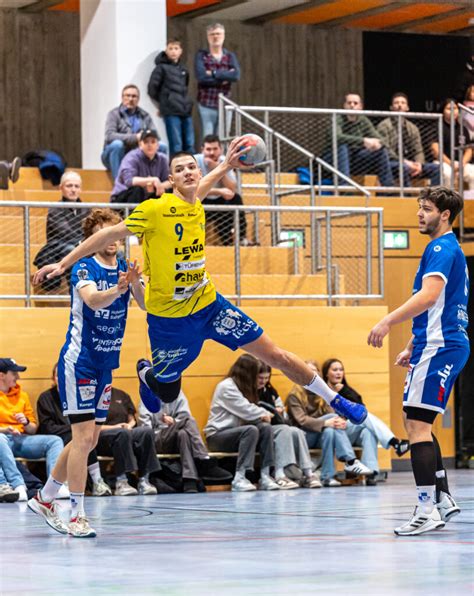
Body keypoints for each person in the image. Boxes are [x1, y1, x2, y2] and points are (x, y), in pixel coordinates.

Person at [33, 137, 367, 446]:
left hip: (210, 306)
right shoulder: (154, 209)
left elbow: (201, 188)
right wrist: (62, 264)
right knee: (166, 389)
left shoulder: (195, 202)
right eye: (179, 170)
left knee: (275, 355)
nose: (189, 172)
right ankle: (147, 375)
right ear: (171, 180)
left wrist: (225, 166)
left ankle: (337, 400)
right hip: (169, 319)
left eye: (192, 166)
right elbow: (106, 236)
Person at [28, 208, 146, 538]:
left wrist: (135, 284)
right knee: (82, 439)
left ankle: (45, 497)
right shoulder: (84, 265)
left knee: (91, 437)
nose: (112, 239)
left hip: (106, 362)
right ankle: (77, 514)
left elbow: (145, 303)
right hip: (80, 361)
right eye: (105, 232)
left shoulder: (125, 266)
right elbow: (93, 300)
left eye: (115, 232)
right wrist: (119, 290)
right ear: (94, 238)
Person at [368, 186, 469, 536]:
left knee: (416, 427)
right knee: (419, 422)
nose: (419, 214)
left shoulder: (441, 248)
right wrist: (413, 342)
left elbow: (429, 296)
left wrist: (386, 322)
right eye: (419, 208)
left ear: (444, 215)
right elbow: (437, 307)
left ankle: (427, 509)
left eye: (426, 209)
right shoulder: (446, 248)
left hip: (440, 345)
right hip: (435, 342)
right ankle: (441, 499)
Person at [286, 361, 372, 487]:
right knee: (331, 421)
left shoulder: (322, 392)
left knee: (330, 431)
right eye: (308, 370)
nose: (310, 374)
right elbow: (302, 420)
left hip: (321, 433)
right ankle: (350, 461)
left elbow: (332, 415)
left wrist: (335, 422)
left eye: (314, 372)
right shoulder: (295, 394)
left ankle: (327, 476)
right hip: (304, 437)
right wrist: (326, 422)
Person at [36, 363, 112, 497]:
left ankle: (97, 481)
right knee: (80, 437)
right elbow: (47, 426)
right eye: (58, 376)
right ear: (53, 378)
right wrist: (75, 429)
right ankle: (59, 486)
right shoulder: (45, 397)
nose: (61, 379)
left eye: (63, 376)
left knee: (85, 437)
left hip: (73, 434)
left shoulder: (75, 394)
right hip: (56, 435)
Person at [204, 354, 278, 491]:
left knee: (266, 428)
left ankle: (266, 475)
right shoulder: (226, 386)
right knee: (251, 430)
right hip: (217, 436)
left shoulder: (245, 388)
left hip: (238, 434)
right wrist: (265, 413)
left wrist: (264, 417)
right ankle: (240, 477)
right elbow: (246, 409)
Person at [138, 390, 232, 493]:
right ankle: (204, 460)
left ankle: (189, 481)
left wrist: (174, 422)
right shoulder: (148, 396)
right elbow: (145, 429)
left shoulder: (176, 393)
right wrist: (165, 423)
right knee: (189, 420)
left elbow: (184, 414)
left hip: (173, 437)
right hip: (155, 438)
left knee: (183, 434)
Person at [0, 358, 66, 502]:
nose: (18, 377)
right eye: (14, 373)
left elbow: (32, 430)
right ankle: (18, 485)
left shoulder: (22, 396)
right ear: (1, 375)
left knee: (54, 440)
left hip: (21, 439)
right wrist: (5, 430)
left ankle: (55, 486)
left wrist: (26, 422)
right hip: (2, 438)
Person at [322, 358, 410, 460]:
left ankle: (371, 473)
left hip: (348, 429)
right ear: (326, 374)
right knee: (365, 419)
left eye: (341, 370)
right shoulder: (322, 392)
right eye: (335, 370)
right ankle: (394, 443)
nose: (338, 373)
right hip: (332, 431)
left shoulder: (345, 390)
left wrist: (344, 390)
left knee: (367, 430)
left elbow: (360, 408)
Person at [257, 362, 322, 488]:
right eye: (260, 378)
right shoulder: (249, 391)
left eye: (266, 378)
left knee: (295, 431)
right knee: (284, 430)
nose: (263, 381)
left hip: (275, 424)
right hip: (262, 427)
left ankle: (308, 473)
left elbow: (282, 411)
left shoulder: (270, 391)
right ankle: (279, 474)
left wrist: (280, 411)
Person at [96, 387, 159, 496]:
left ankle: (144, 480)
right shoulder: (92, 395)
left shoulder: (121, 394)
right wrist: (116, 427)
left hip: (124, 431)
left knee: (146, 432)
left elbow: (132, 420)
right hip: (102, 435)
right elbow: (91, 426)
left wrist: (128, 426)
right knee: (122, 434)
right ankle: (122, 482)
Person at [33, 171, 89, 292]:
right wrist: (84, 243)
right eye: (69, 186)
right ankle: (76, 292)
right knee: (71, 251)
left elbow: (91, 232)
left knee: (115, 253)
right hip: (58, 247)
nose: (73, 190)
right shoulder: (55, 209)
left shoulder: (87, 209)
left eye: (76, 186)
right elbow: (66, 233)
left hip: (80, 246)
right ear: (61, 188)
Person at [324, 93, 394, 188]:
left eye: (355, 103)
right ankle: (344, 188)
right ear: (344, 106)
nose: (352, 105)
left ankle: (388, 189)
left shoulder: (363, 120)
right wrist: (363, 141)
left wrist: (377, 143)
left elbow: (381, 139)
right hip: (333, 158)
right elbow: (337, 137)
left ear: (360, 107)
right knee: (342, 147)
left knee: (381, 150)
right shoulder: (337, 118)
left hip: (355, 159)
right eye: (349, 103)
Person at [101, 84, 165, 180]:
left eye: (134, 96)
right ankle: (120, 186)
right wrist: (135, 137)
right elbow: (110, 136)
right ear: (122, 97)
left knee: (162, 146)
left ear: (138, 99)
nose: (131, 99)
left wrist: (145, 140)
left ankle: (160, 183)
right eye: (127, 95)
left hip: (136, 154)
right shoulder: (114, 114)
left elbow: (155, 136)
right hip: (113, 155)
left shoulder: (145, 115)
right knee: (117, 145)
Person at [377, 92, 440, 188]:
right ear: (391, 108)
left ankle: (434, 198)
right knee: (404, 168)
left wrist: (419, 164)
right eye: (396, 103)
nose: (399, 105)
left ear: (407, 108)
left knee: (437, 168)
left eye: (403, 103)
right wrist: (404, 161)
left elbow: (418, 150)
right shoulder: (384, 126)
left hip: (410, 164)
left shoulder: (412, 128)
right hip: (391, 163)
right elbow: (386, 150)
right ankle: (407, 198)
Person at [195, 134, 247, 245]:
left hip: (219, 202)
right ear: (202, 150)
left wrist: (219, 170)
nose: (212, 153)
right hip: (201, 201)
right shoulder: (195, 161)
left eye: (215, 149)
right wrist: (218, 191)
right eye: (208, 149)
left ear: (221, 149)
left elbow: (232, 188)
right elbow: (193, 190)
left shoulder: (226, 161)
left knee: (236, 198)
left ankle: (241, 238)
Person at [148, 38, 195, 156]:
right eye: (170, 48)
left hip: (185, 110)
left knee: (189, 144)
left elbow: (186, 86)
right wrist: (164, 102)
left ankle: (192, 171)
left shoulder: (183, 69)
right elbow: (152, 89)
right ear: (166, 50)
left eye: (176, 48)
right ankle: (175, 171)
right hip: (171, 111)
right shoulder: (161, 68)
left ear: (181, 51)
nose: (173, 51)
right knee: (176, 145)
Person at [194, 23, 240, 138]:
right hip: (206, 103)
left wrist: (214, 73)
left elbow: (235, 75)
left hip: (225, 103)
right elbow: (201, 77)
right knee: (208, 137)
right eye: (212, 34)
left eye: (218, 34)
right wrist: (224, 77)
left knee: (223, 137)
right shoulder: (201, 56)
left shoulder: (230, 56)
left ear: (223, 36)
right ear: (208, 37)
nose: (215, 37)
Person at [110, 129, 171, 204]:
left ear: (158, 145)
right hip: (122, 197)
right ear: (140, 145)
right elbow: (129, 181)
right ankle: (134, 216)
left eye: (153, 142)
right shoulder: (131, 157)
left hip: (146, 197)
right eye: (146, 142)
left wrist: (160, 186)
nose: (149, 145)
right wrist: (153, 180)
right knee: (137, 189)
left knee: (169, 191)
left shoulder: (163, 159)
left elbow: (170, 181)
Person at [431, 99, 474, 190]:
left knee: (473, 172)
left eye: (455, 108)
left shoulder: (463, 129)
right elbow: (435, 149)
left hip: (461, 163)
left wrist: (462, 163)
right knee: (447, 173)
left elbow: (469, 150)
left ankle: (471, 201)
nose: (452, 111)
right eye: (448, 108)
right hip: (443, 162)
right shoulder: (437, 127)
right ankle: (448, 202)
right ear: (443, 111)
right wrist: (450, 163)